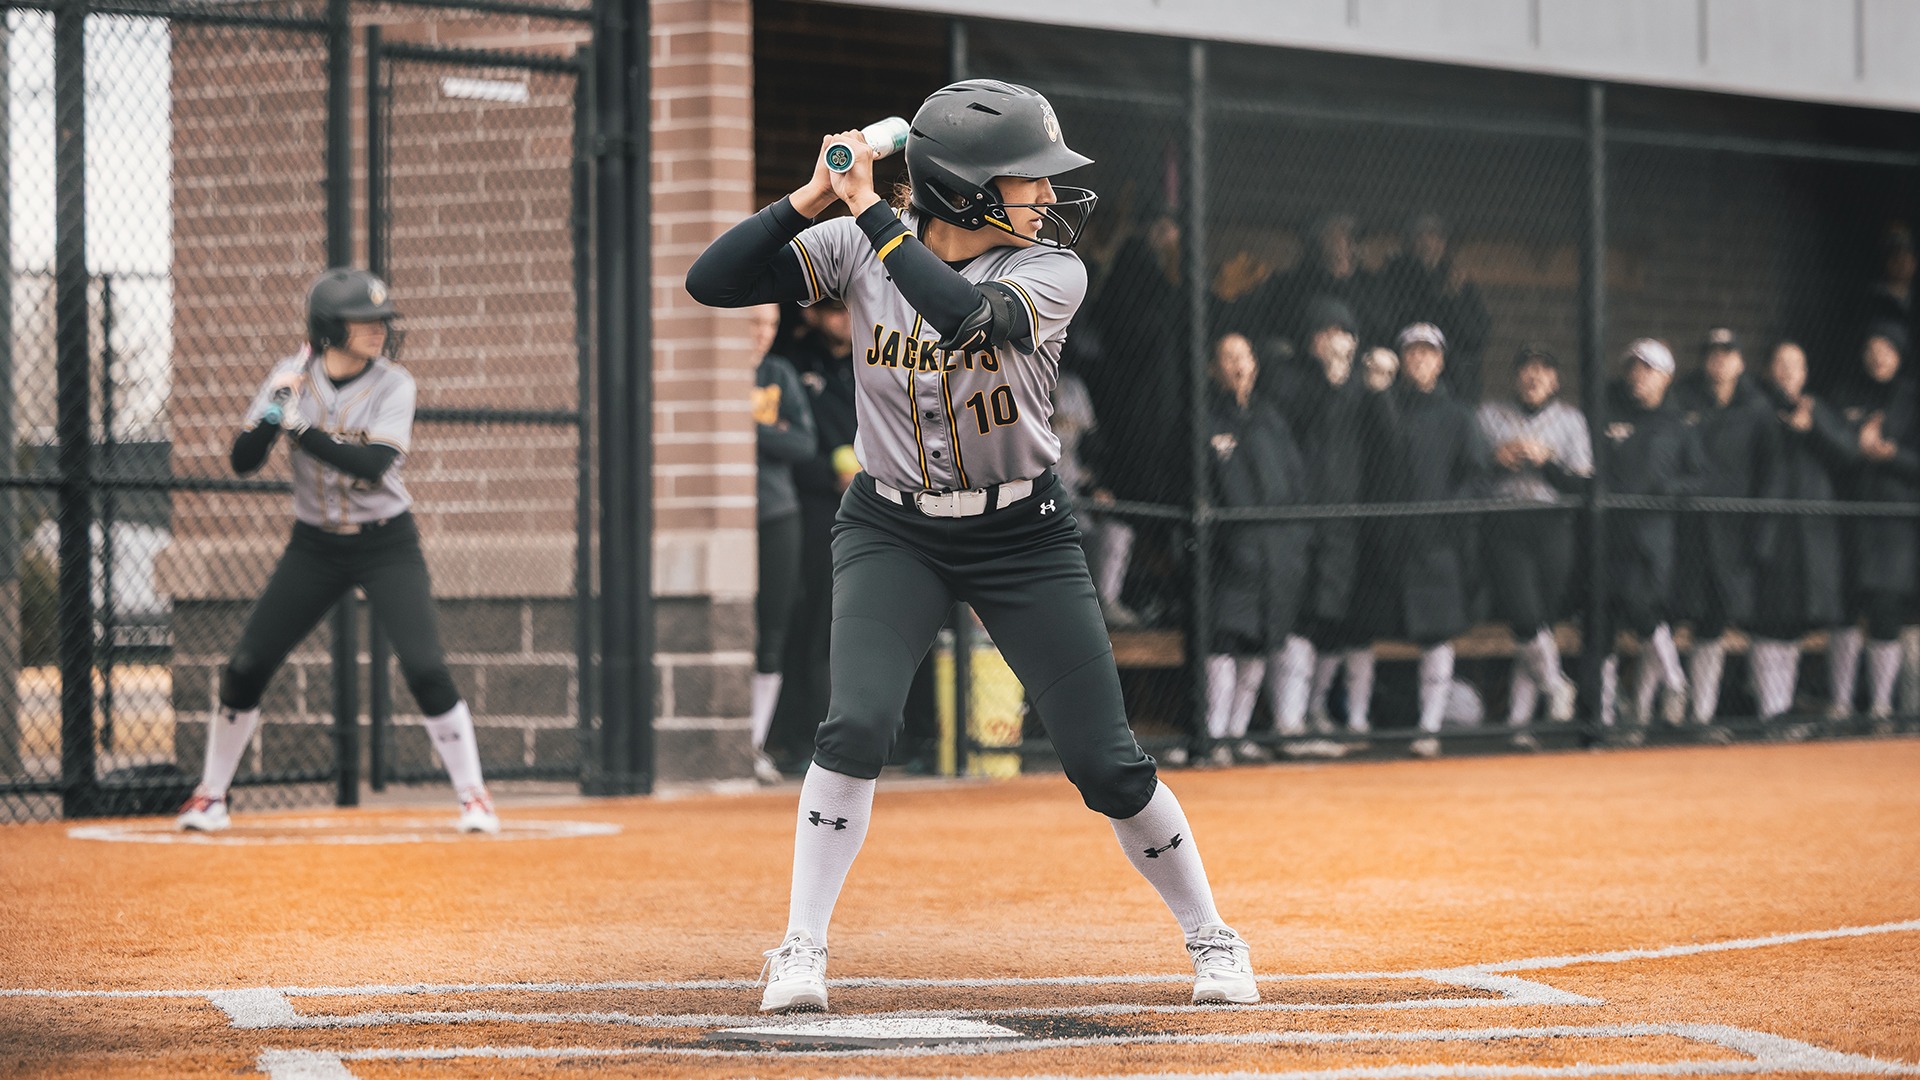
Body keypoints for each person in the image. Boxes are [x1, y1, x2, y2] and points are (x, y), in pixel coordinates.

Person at [685, 80, 1259, 1013]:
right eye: (1029, 178)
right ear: (964, 189)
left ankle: (1212, 935)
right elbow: (712, 281)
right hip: (891, 527)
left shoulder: (1052, 269)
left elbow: (963, 315)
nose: (1048, 195)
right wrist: (814, 195)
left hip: (1021, 533)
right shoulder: (854, 243)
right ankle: (800, 946)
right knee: (855, 725)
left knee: (1105, 761)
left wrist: (871, 213)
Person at [173, 269, 498, 835]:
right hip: (315, 546)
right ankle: (211, 796)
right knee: (246, 666)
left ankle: (474, 796)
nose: (379, 329)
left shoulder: (395, 384)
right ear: (329, 328)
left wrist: (299, 430)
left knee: (425, 668)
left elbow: (372, 466)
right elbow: (243, 462)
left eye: (382, 320)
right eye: (364, 321)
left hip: (386, 542)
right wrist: (273, 412)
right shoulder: (292, 375)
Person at [1368, 323, 1489, 758]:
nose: (1420, 358)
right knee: (1361, 630)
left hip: (1438, 544)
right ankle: (1356, 722)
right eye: (1412, 352)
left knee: (1438, 635)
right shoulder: (1383, 405)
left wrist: (1447, 517)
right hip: (1389, 542)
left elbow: (1476, 477)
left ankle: (1430, 727)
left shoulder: (1458, 415)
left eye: (1428, 352)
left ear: (1440, 361)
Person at [1270, 297, 1388, 736]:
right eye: (1327, 333)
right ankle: (1288, 719)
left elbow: (1385, 441)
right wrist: (1329, 381)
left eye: (1343, 334)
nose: (1336, 342)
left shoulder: (1360, 386)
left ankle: (1314, 710)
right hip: (1298, 517)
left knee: (1331, 617)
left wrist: (1377, 390)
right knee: (1298, 617)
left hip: (1345, 519)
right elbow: (1296, 423)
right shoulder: (1289, 379)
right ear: (1311, 340)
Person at [1201, 333, 1316, 764]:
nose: (1238, 365)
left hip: (1278, 553)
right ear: (1213, 368)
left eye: (1244, 356)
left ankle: (1235, 734)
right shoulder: (1205, 420)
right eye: (1228, 357)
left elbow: (1297, 484)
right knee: (1223, 640)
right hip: (1231, 553)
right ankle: (1213, 737)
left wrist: (1294, 542)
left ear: (1255, 365)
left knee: (1260, 643)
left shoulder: (1271, 419)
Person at [1477, 345, 1589, 741]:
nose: (1534, 375)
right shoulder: (1489, 415)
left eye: (1543, 369)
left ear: (1554, 380)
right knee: (1524, 616)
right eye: (1527, 367)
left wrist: (1547, 461)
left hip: (1552, 524)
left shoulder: (1571, 420)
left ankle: (1519, 723)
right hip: (1505, 522)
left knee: (1539, 623)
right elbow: (1469, 474)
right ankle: (1557, 686)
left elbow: (1581, 484)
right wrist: (1496, 460)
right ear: (1516, 376)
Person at [768, 299, 859, 770]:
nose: (845, 317)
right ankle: (807, 740)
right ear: (810, 314)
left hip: (877, 502)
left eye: (849, 308)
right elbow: (796, 445)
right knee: (816, 622)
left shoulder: (876, 361)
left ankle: (893, 737)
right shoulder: (794, 365)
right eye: (833, 309)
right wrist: (830, 472)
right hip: (816, 509)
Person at [1597, 339, 1705, 730]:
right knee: (1602, 626)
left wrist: (1667, 490)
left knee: (1644, 611)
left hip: (1653, 539)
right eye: (1633, 368)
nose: (1638, 376)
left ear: (1665, 377)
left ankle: (1673, 684)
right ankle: (1605, 718)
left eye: (1647, 369)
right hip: (1608, 535)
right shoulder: (1610, 415)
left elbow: (1701, 478)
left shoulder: (1679, 425)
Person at [1670, 328, 1773, 726]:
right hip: (1690, 529)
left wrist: (1761, 533)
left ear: (1740, 362)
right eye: (1713, 353)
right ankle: (1677, 708)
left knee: (1722, 620)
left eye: (1728, 353)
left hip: (1736, 533)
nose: (1719, 360)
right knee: (1685, 616)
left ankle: (1712, 712)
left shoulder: (1757, 408)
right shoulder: (1683, 399)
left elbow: (1769, 474)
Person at [1751, 341, 1851, 722]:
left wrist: (1812, 430)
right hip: (1771, 532)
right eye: (1780, 364)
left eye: (1795, 365)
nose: (1787, 372)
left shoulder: (1818, 410)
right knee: (1771, 622)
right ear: (1769, 370)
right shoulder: (1758, 410)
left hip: (1811, 535)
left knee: (1794, 625)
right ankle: (1770, 710)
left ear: (1805, 373)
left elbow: (1849, 455)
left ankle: (1783, 708)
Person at [1830, 323, 1919, 724]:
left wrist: (1891, 454)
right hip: (1851, 518)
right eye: (1872, 348)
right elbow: (1835, 446)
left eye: (1886, 349)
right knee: (1845, 609)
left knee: (1885, 610)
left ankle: (1881, 707)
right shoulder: (1846, 394)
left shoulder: (1912, 398)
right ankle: (1840, 704)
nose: (1878, 356)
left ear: (1900, 354)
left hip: (1895, 525)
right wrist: (1857, 446)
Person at [749, 303, 818, 783]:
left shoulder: (779, 374)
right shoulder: (718, 371)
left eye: (771, 324)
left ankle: (753, 743)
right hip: (734, 517)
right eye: (754, 322)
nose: (763, 333)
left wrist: (749, 428)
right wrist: (772, 431)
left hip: (778, 514)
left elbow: (804, 445)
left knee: (772, 630)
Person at [1377, 214, 1492, 400]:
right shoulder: (1395, 278)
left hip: (1453, 378)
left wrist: (1454, 300)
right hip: (1405, 370)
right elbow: (1386, 325)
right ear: (1410, 243)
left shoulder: (1457, 282)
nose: (1428, 243)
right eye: (1420, 237)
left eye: (1435, 236)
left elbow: (1478, 336)